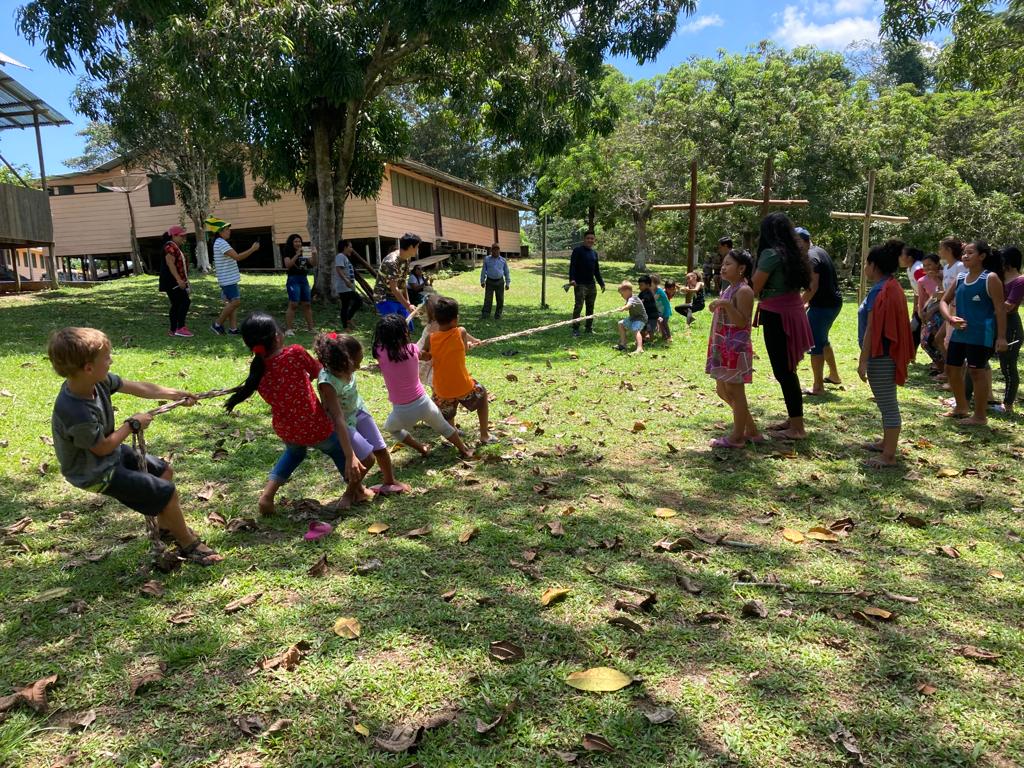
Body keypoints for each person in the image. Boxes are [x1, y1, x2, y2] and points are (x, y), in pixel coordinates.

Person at [47, 327, 221, 565]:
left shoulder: (97, 382)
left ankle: (165, 527)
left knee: (164, 471)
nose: (111, 361)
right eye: (106, 358)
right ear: (88, 367)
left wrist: (174, 394)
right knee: (166, 493)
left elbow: (137, 387)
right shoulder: (76, 412)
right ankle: (189, 544)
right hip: (95, 471)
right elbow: (101, 448)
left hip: (110, 454)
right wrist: (131, 425)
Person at [224, 312, 353, 516]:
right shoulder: (295, 353)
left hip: (286, 428)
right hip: (315, 425)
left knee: (295, 453)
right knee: (338, 449)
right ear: (277, 337)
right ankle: (356, 489)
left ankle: (267, 496)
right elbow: (319, 371)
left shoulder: (256, 371)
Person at [314, 332, 410, 503]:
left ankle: (389, 481)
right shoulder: (327, 382)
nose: (358, 368)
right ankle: (350, 493)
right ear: (342, 362)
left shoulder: (344, 366)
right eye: (355, 364)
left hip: (358, 410)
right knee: (366, 459)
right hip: (343, 422)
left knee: (380, 448)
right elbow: (338, 419)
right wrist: (350, 456)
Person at [371, 314, 474, 459]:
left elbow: (384, 350)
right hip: (424, 403)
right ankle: (464, 450)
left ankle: (421, 449)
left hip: (402, 411)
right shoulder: (412, 349)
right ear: (404, 333)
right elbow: (426, 356)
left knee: (391, 429)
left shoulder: (380, 352)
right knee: (445, 428)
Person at [751, 212, 814, 440]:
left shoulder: (770, 254)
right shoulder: (793, 253)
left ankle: (797, 429)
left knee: (783, 371)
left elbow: (754, 287)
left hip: (777, 316)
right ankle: (794, 419)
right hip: (793, 311)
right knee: (788, 370)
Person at [857, 240, 914, 468]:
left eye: (865, 263)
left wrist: (863, 360)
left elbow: (872, 329)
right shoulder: (891, 285)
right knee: (885, 402)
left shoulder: (880, 290)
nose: (864, 268)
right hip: (886, 354)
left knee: (888, 404)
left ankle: (888, 455)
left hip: (881, 356)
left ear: (873, 265)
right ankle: (885, 444)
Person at [939, 240, 1008, 426]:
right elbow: (943, 302)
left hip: (981, 335)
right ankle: (961, 407)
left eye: (970, 253)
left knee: (977, 372)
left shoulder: (990, 278)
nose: (965, 256)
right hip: (959, 334)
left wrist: (1001, 337)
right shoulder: (960, 278)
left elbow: (1000, 309)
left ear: (982, 256)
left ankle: (979, 416)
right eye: (964, 253)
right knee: (952, 369)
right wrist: (950, 319)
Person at [421, 297, 494, 444]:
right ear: (455, 320)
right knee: (482, 394)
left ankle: (451, 434)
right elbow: (464, 349)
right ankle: (484, 435)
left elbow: (426, 356)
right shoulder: (460, 332)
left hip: (441, 390)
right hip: (463, 387)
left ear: (436, 318)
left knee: (448, 409)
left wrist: (425, 354)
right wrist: (469, 344)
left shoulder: (431, 338)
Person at [706, 249, 760, 448]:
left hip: (735, 349)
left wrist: (726, 305)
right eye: (724, 263)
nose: (723, 267)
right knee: (722, 389)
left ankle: (737, 437)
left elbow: (741, 323)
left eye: (729, 263)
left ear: (742, 268)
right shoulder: (729, 288)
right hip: (722, 346)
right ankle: (751, 430)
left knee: (736, 391)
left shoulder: (744, 291)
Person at [795, 227, 843, 395]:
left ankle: (818, 387)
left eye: (797, 243)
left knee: (815, 343)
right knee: (821, 339)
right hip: (831, 303)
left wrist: (799, 306)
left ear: (805, 241)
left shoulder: (811, 258)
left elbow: (812, 287)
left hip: (824, 306)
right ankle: (834, 375)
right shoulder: (818, 250)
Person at [207, 218, 260, 336]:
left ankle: (233, 329)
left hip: (227, 278)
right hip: (227, 279)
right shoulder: (221, 243)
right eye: (227, 229)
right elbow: (237, 257)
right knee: (235, 302)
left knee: (232, 304)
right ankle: (217, 325)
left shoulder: (220, 242)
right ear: (220, 232)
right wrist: (252, 249)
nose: (229, 231)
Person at [998, 245, 1023, 414]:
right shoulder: (998, 277)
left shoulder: (1020, 280)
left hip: (1011, 327)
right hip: (996, 324)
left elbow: (1009, 306)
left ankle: (1008, 405)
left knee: (1008, 366)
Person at [373, 233, 421, 321]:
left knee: (408, 328)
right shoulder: (391, 262)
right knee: (395, 328)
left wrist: (408, 303)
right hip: (384, 298)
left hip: (397, 297)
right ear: (411, 247)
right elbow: (394, 288)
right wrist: (408, 306)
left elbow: (403, 283)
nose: (418, 249)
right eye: (417, 246)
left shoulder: (406, 259)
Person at [568, 231, 605, 336]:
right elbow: (573, 266)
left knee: (590, 307)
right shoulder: (577, 251)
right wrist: (572, 279)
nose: (590, 240)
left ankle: (588, 328)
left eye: (592, 238)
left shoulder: (594, 253)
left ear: (594, 240)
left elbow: (596, 271)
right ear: (584, 239)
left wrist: (601, 283)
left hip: (591, 285)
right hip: (580, 284)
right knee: (578, 306)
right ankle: (575, 329)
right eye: (588, 238)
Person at [158, 225, 192, 338]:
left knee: (177, 304)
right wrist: (178, 280)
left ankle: (173, 330)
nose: (183, 238)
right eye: (181, 236)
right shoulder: (170, 246)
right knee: (184, 302)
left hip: (173, 281)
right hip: (172, 281)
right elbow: (170, 263)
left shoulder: (175, 246)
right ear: (174, 236)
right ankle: (180, 327)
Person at [282, 233, 317, 336]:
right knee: (293, 304)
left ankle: (311, 328)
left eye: (299, 241)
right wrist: (297, 254)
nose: (298, 243)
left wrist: (314, 253)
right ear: (291, 243)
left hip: (303, 279)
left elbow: (313, 263)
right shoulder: (287, 251)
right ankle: (289, 329)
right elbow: (288, 265)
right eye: (296, 241)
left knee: (307, 304)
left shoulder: (305, 250)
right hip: (293, 279)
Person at [899, 245, 927, 353]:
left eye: (902, 255)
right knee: (914, 328)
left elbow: (927, 288)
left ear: (909, 258)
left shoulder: (918, 269)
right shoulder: (909, 269)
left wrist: (923, 306)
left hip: (929, 304)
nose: (899, 258)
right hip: (921, 305)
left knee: (917, 329)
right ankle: (910, 354)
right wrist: (915, 307)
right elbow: (916, 291)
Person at [614, 280, 647, 354]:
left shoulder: (633, 298)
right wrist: (622, 307)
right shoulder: (629, 298)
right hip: (633, 318)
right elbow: (628, 306)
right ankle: (623, 344)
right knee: (621, 324)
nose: (621, 296)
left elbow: (628, 305)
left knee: (635, 329)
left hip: (641, 318)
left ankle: (640, 348)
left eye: (622, 294)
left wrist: (624, 308)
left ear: (627, 291)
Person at [334, 239, 360, 330]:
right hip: (343, 286)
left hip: (348, 286)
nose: (351, 249)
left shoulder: (345, 257)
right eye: (350, 247)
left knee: (346, 304)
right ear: (345, 247)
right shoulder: (340, 256)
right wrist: (346, 280)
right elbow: (339, 269)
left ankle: (347, 321)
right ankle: (346, 322)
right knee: (357, 301)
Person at [480, 244, 511, 320]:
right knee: (488, 299)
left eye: (497, 249)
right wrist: (482, 281)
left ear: (499, 250)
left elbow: (506, 272)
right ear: (491, 250)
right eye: (494, 249)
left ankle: (498, 315)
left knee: (500, 299)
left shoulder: (503, 260)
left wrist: (507, 283)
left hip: (500, 281)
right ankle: (485, 315)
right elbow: (483, 270)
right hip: (490, 281)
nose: (495, 251)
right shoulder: (487, 259)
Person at [637, 275, 660, 341]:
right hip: (645, 315)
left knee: (650, 329)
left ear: (647, 285)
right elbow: (638, 299)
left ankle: (651, 341)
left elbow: (645, 299)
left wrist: (641, 301)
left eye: (641, 285)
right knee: (642, 328)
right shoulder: (642, 293)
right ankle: (643, 339)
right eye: (639, 285)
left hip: (652, 315)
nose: (639, 287)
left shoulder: (649, 292)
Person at [652, 274, 673, 341]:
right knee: (660, 322)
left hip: (665, 309)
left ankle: (669, 337)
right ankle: (664, 336)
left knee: (664, 323)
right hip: (660, 310)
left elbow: (654, 298)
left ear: (656, 283)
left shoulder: (659, 290)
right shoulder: (652, 290)